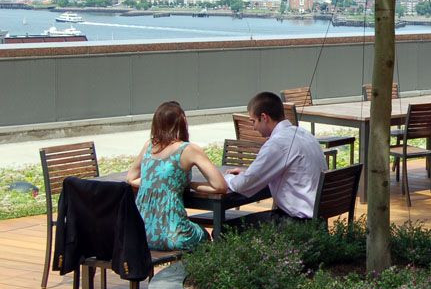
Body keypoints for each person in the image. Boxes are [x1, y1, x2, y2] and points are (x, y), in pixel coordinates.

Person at [126, 101, 227, 251]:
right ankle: (193, 275)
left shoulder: (149, 146)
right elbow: (220, 186)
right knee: (206, 235)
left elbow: (130, 178)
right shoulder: (188, 149)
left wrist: (156, 182)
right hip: (173, 234)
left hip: (141, 233)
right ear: (183, 122)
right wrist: (190, 184)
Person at [224, 91, 327, 223]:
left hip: (297, 222)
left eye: (253, 121)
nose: (254, 127)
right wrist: (248, 174)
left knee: (223, 231)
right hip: (318, 219)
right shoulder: (305, 134)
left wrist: (226, 178)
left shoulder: (277, 143)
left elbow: (243, 185)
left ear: (264, 117)